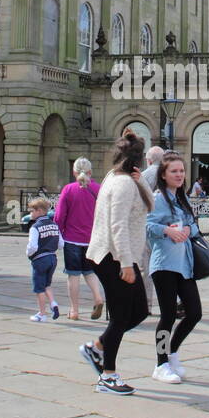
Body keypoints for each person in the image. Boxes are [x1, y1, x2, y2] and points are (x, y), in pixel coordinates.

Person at [79, 133, 153, 395]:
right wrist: (126, 264)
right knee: (121, 316)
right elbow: (118, 225)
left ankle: (97, 347)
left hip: (118, 256)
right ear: (138, 160)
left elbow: (150, 205)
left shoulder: (118, 177)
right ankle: (107, 376)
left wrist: (141, 180)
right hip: (114, 257)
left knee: (140, 311)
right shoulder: (122, 184)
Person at [145, 152, 202, 383]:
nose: (179, 175)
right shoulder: (158, 198)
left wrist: (189, 231)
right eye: (174, 171)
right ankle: (160, 364)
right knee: (167, 315)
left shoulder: (182, 198)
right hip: (164, 263)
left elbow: (194, 227)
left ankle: (172, 352)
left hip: (184, 265)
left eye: (181, 171)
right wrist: (167, 230)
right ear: (163, 174)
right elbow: (147, 225)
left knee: (194, 313)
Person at [54, 158, 106, 321]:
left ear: (74, 172)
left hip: (72, 239)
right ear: (90, 172)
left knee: (73, 275)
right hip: (92, 240)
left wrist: (59, 232)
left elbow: (60, 215)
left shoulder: (69, 189)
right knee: (89, 272)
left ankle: (74, 310)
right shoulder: (98, 189)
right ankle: (98, 297)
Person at [138, 146, 166, 315]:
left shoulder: (144, 175)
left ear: (148, 160)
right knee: (165, 267)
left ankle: (146, 305)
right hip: (166, 227)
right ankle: (173, 303)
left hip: (146, 225)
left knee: (146, 268)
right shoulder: (166, 174)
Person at [25, 197, 61, 323]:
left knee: (39, 288)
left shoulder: (35, 227)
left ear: (39, 211)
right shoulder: (54, 225)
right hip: (52, 258)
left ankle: (42, 313)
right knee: (47, 284)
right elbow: (61, 244)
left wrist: (28, 254)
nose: (31, 213)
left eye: (32, 211)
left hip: (40, 259)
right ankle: (53, 303)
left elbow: (33, 246)